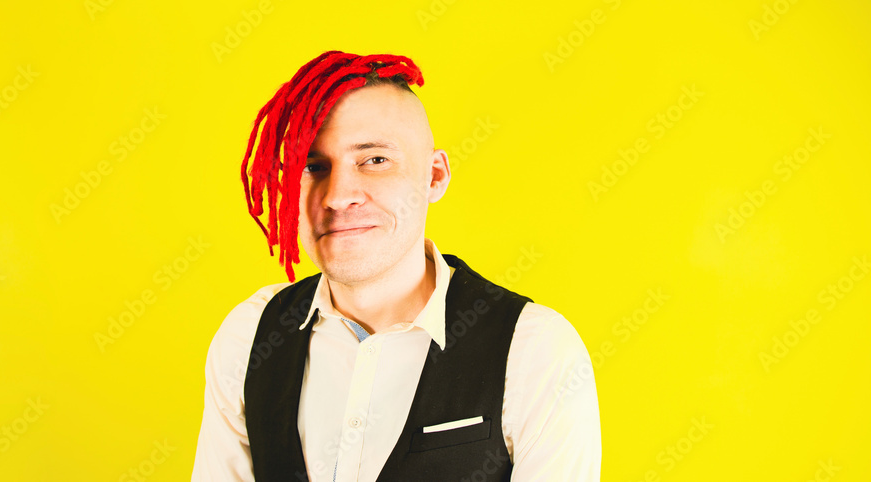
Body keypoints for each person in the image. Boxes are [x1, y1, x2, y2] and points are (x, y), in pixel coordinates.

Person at [191, 51, 601, 481]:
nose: (337, 196)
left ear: (434, 176)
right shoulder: (249, 335)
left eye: (374, 160)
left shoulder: (535, 350)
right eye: (314, 166)